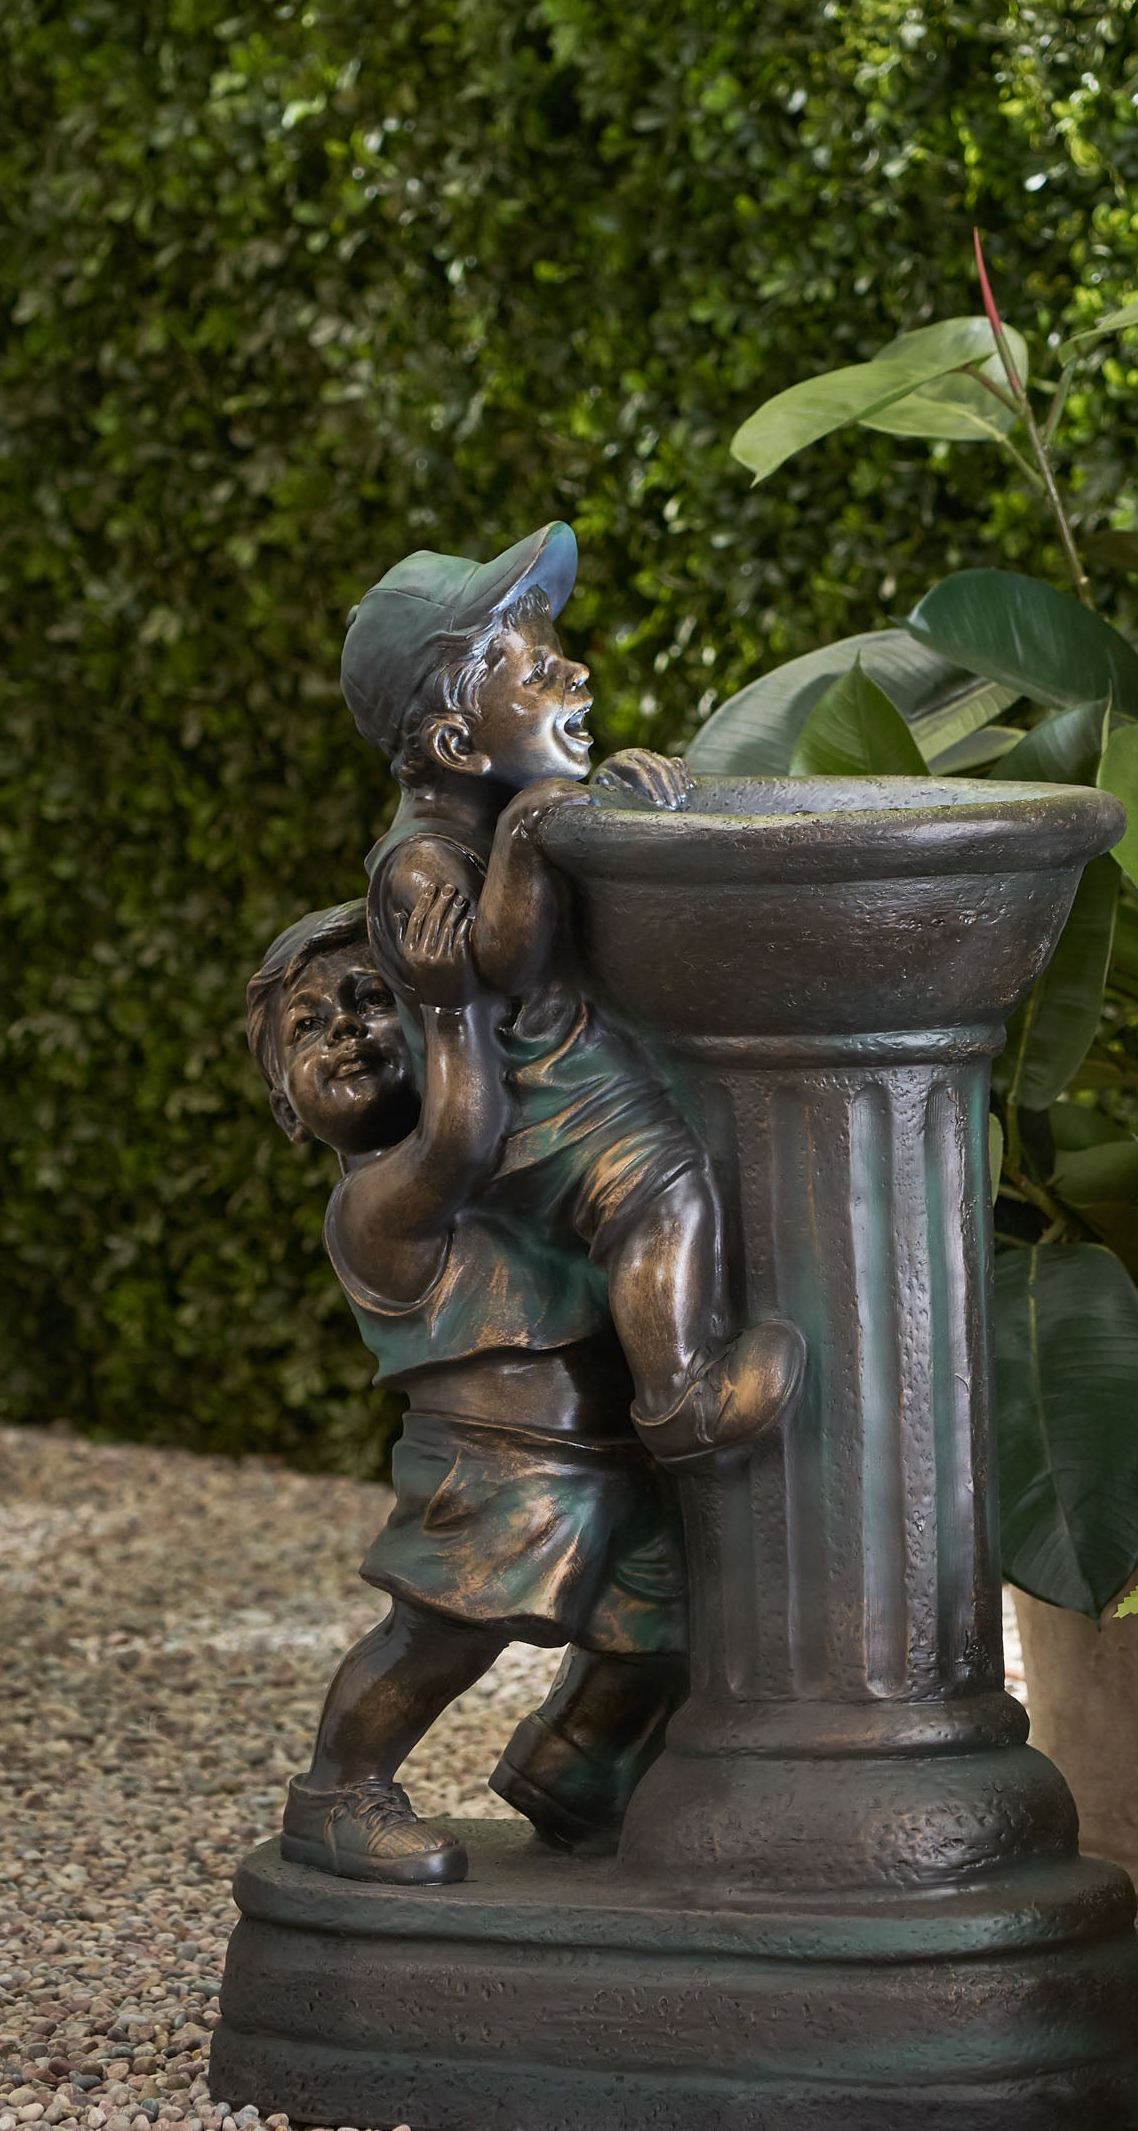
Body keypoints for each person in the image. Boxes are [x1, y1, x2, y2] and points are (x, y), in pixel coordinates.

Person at [246, 890, 686, 1885]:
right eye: (308, 1028)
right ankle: (337, 1788)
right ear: (284, 1104)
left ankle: (574, 1771)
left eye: (370, 998)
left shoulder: (523, 1162)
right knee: (444, 1633)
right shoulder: (377, 1200)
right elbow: (463, 1134)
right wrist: (449, 1008)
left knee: (660, 1620)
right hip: (494, 1463)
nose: (348, 1030)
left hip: (606, 1452)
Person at [340, 521, 802, 1466]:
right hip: (538, 1115)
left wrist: (610, 797)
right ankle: (679, 1400)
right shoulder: (421, 864)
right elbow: (503, 963)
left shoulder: (506, 811)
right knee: (663, 1194)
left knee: (678, 1188)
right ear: (459, 741)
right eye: (540, 674)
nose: (578, 676)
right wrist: (532, 832)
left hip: (574, 1080)